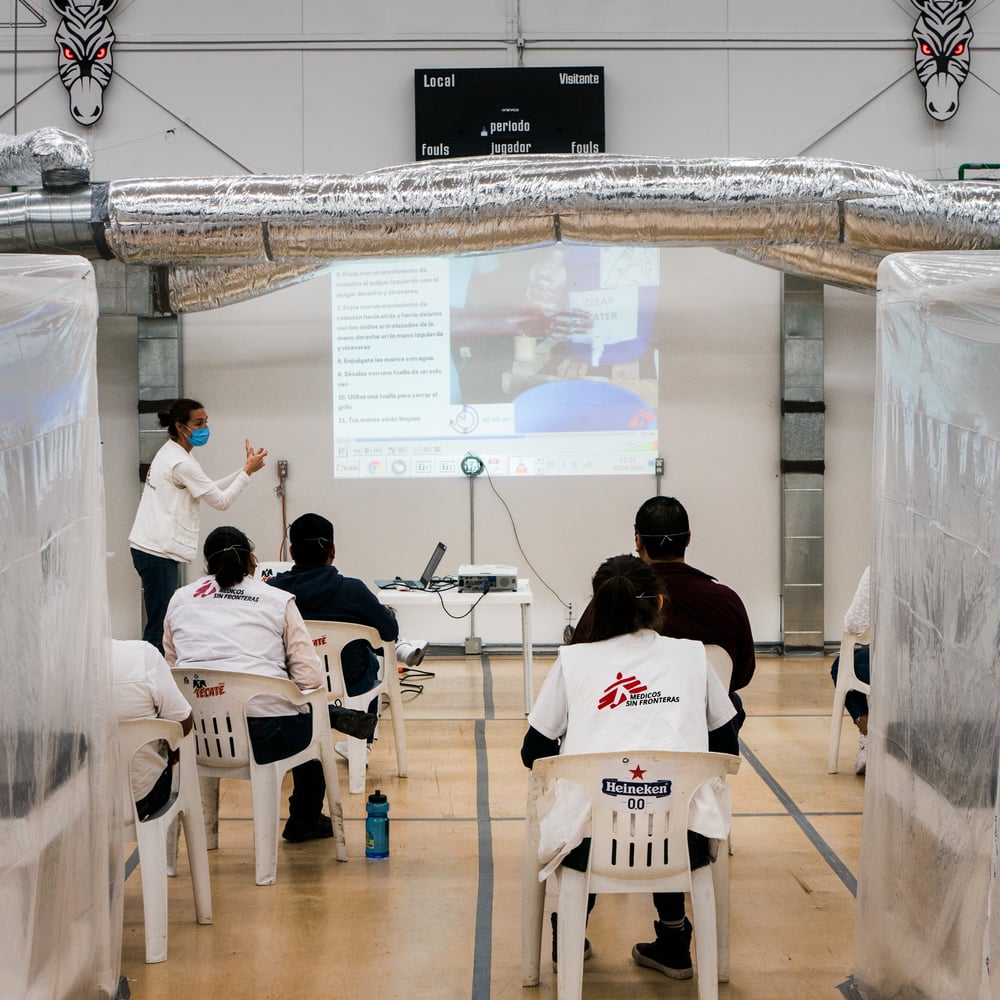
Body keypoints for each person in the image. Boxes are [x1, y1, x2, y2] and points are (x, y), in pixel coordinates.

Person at [521, 554, 739, 979]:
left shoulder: (573, 661)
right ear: (659, 603)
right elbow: (726, 745)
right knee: (666, 799)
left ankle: (569, 934)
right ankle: (675, 941)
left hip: (590, 845)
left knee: (592, 805)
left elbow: (534, 752)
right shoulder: (694, 656)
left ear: (599, 608)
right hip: (684, 842)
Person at [162, 525, 377, 843]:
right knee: (312, 720)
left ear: (206, 565)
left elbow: (170, 670)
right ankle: (304, 819)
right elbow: (310, 679)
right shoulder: (276, 600)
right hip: (267, 735)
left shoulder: (179, 600)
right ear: (252, 560)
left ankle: (204, 836)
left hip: (197, 736)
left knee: (298, 709)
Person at [571, 496, 755, 729]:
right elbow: (741, 675)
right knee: (732, 703)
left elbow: (579, 663)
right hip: (702, 732)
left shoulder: (613, 598)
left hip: (621, 725)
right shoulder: (726, 601)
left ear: (638, 541)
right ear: (688, 538)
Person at [266, 512, 427, 764]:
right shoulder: (353, 591)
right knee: (371, 660)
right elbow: (389, 632)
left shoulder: (273, 592)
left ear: (292, 552)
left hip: (291, 685)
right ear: (333, 550)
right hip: (351, 685)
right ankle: (360, 747)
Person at [128, 398, 268, 653]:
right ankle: (150, 682)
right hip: (155, 550)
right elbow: (220, 501)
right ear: (181, 427)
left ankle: (157, 679)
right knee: (159, 626)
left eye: (206, 422)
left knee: (163, 620)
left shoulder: (174, 453)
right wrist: (246, 473)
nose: (205, 428)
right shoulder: (181, 463)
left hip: (152, 547)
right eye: (199, 423)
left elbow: (208, 488)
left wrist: (245, 470)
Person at [111, 638, 193, 822]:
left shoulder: (48, 668)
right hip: (141, 798)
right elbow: (184, 723)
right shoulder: (142, 657)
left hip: (73, 808)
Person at [830, 565, 871, 775]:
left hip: (892, 662)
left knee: (841, 667)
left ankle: (868, 732)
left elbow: (854, 624)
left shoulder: (877, 569)